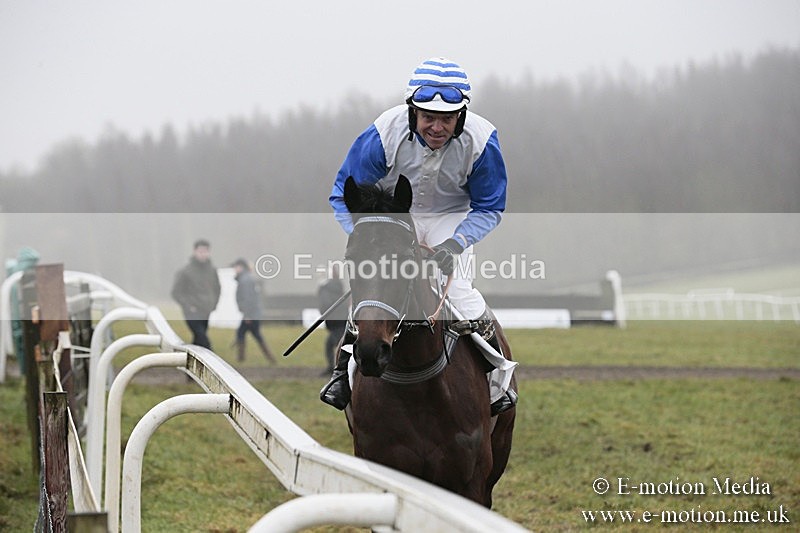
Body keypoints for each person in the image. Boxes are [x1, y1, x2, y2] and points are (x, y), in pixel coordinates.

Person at [321, 56, 518, 415]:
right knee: (373, 283)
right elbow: (342, 193)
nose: (437, 127)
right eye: (428, 117)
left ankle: (497, 379)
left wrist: (456, 243)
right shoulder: (384, 132)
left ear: (462, 114)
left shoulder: (483, 139)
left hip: (452, 218)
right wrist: (366, 236)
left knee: (459, 292)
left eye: (447, 118)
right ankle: (341, 373)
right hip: (395, 216)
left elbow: (490, 206)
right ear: (413, 111)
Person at [171, 239, 221, 349]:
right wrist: (188, 306)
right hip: (192, 312)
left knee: (198, 341)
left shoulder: (212, 270)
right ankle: (212, 362)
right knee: (204, 340)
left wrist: (214, 304)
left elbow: (217, 289)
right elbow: (176, 292)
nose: (203, 254)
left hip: (206, 310)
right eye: (200, 251)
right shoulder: (186, 271)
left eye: (205, 251)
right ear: (194, 251)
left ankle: (189, 363)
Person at [231, 258, 276, 364]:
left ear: (240, 267)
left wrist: (247, 315)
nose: (234, 269)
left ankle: (241, 359)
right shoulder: (247, 278)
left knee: (243, 333)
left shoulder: (245, 280)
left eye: (235, 267)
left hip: (250, 314)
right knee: (253, 334)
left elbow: (248, 299)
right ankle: (271, 359)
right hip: (253, 313)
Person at [317, 264, 348, 375]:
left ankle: (339, 369)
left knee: (339, 346)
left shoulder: (329, 288)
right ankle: (334, 367)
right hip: (339, 321)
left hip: (337, 322)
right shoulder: (337, 286)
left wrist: (322, 288)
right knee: (331, 345)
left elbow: (326, 304)